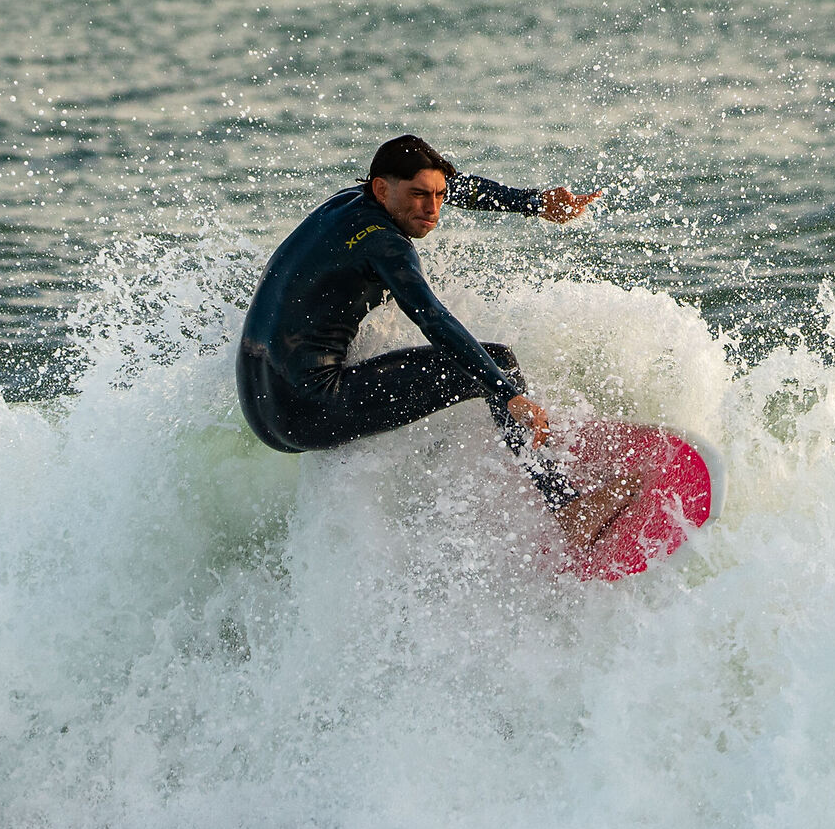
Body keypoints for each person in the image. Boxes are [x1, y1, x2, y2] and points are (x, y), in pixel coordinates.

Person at [236, 135, 639, 548]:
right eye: (418, 196)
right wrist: (506, 391)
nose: (432, 210)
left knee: (466, 369)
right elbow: (432, 318)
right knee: (498, 363)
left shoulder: (349, 203)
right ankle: (566, 505)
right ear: (382, 188)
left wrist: (534, 203)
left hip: (262, 407)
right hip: (309, 406)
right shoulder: (386, 244)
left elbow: (460, 185)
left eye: (439, 196)